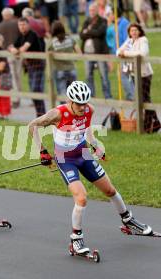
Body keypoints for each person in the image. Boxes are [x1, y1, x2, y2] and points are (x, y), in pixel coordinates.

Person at [27, 80, 154, 254]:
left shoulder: (89, 109)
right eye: (79, 103)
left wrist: (95, 144)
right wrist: (42, 151)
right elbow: (32, 125)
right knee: (81, 198)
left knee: (110, 190)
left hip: (84, 154)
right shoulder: (57, 114)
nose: (82, 107)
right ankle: (76, 240)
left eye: (85, 102)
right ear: (70, 101)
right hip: (66, 159)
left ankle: (128, 221)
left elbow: (86, 129)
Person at [117, 23, 160, 133]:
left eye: (136, 30)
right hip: (134, 74)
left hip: (145, 74)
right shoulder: (129, 41)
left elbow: (142, 53)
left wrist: (126, 53)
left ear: (139, 31)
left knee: (144, 99)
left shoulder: (143, 40)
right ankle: (155, 124)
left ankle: (149, 125)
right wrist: (121, 53)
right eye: (132, 31)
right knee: (144, 99)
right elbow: (118, 51)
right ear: (129, 33)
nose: (134, 32)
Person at [80, 3, 111, 99]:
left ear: (97, 10)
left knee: (103, 75)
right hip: (87, 53)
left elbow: (100, 33)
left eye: (93, 10)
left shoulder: (103, 21)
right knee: (88, 75)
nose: (91, 12)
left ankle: (108, 96)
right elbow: (81, 35)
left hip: (99, 52)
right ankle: (91, 96)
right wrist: (90, 32)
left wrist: (88, 31)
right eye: (90, 10)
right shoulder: (86, 21)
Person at [48, 21, 81, 99]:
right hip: (71, 69)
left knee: (62, 96)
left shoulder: (53, 43)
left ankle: (64, 111)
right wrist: (73, 60)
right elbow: (79, 53)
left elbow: (48, 55)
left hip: (59, 70)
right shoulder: (70, 40)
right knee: (74, 94)